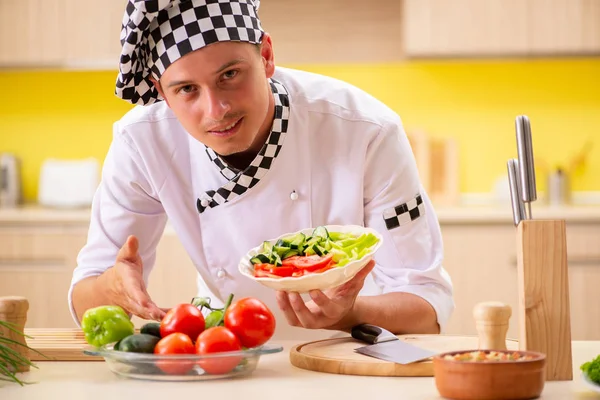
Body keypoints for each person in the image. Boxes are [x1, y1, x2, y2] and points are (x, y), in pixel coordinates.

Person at [68, 0, 454, 339]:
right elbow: (86, 296)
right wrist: (112, 289)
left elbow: (428, 306)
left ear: (266, 55)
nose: (216, 110)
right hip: (226, 354)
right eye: (187, 90)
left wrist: (349, 314)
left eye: (229, 75)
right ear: (161, 92)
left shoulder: (366, 130)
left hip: (351, 352)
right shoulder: (142, 142)